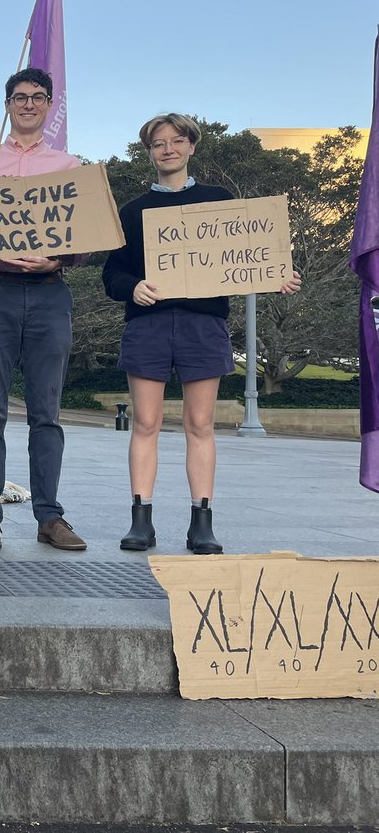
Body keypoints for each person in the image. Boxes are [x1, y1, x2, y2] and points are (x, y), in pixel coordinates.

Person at [103, 113, 301, 553]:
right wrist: (133, 286)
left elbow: (244, 255)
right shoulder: (132, 211)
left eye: (177, 141)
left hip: (204, 325)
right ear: (149, 151)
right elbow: (112, 274)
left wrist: (276, 274)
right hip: (148, 326)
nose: (168, 149)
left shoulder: (219, 201)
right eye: (158, 143)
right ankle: (141, 520)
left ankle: (201, 522)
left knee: (200, 423)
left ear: (192, 146)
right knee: (146, 423)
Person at [0, 68, 86, 552]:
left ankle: (49, 517)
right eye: (19, 97)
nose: (28, 104)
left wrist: (61, 257)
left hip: (50, 292)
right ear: (7, 105)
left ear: (49, 105)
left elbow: (87, 236)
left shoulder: (68, 164)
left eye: (38, 97)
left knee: (46, 413)